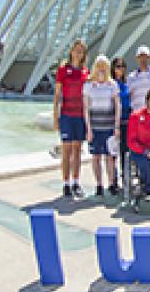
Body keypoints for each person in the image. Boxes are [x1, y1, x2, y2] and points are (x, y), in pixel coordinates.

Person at [53, 39, 89, 198]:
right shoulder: (63, 70)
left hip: (80, 115)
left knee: (77, 150)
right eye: (76, 50)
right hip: (67, 115)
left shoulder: (85, 72)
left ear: (84, 54)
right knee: (66, 151)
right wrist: (56, 117)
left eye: (81, 51)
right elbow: (57, 95)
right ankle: (66, 183)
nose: (78, 53)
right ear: (71, 51)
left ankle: (76, 182)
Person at [83, 55, 121, 196]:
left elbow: (117, 106)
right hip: (95, 126)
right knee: (96, 157)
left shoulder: (112, 85)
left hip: (109, 126)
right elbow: (86, 108)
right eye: (99, 65)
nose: (101, 69)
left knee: (109, 157)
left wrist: (116, 126)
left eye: (104, 66)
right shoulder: (89, 85)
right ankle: (99, 184)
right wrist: (88, 129)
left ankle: (111, 183)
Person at [111, 57, 130, 189]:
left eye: (123, 66)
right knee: (112, 153)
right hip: (113, 122)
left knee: (125, 152)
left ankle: (125, 179)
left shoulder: (126, 84)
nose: (121, 69)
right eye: (118, 66)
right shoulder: (110, 84)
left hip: (126, 121)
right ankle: (113, 180)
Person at [127, 45, 150, 112]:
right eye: (140, 56)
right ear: (137, 58)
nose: (143, 59)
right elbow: (129, 96)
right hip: (137, 113)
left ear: (149, 57)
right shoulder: (131, 77)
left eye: (145, 56)